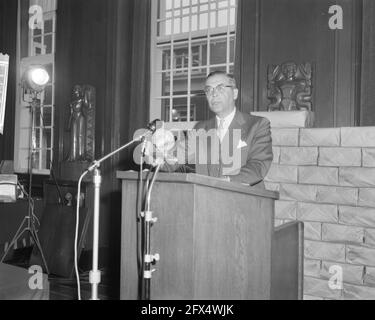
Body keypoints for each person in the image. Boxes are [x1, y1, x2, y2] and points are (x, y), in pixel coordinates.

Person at [147, 71, 273, 188]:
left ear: (235, 93)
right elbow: (174, 160)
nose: (214, 94)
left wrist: (227, 181)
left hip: (245, 203)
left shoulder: (257, 124)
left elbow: (258, 165)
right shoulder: (200, 128)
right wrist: (154, 154)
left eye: (220, 88)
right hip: (206, 202)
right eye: (208, 90)